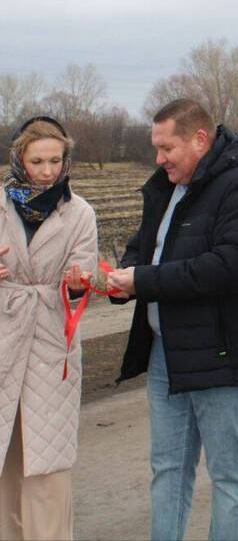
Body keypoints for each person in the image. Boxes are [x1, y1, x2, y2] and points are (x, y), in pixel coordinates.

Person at [106, 99, 238, 541]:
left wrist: (142, 281)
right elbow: (145, 245)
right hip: (168, 355)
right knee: (167, 472)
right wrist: (120, 277)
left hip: (226, 356)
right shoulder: (170, 185)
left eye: (167, 148)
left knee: (228, 477)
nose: (159, 158)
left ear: (199, 140)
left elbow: (228, 267)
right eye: (156, 148)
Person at [0, 117, 98, 541]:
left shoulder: (79, 212)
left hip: (50, 344)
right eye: (37, 160)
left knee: (47, 463)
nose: (46, 170)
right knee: (5, 459)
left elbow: (86, 273)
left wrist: (78, 284)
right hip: (4, 336)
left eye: (55, 160)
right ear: (19, 159)